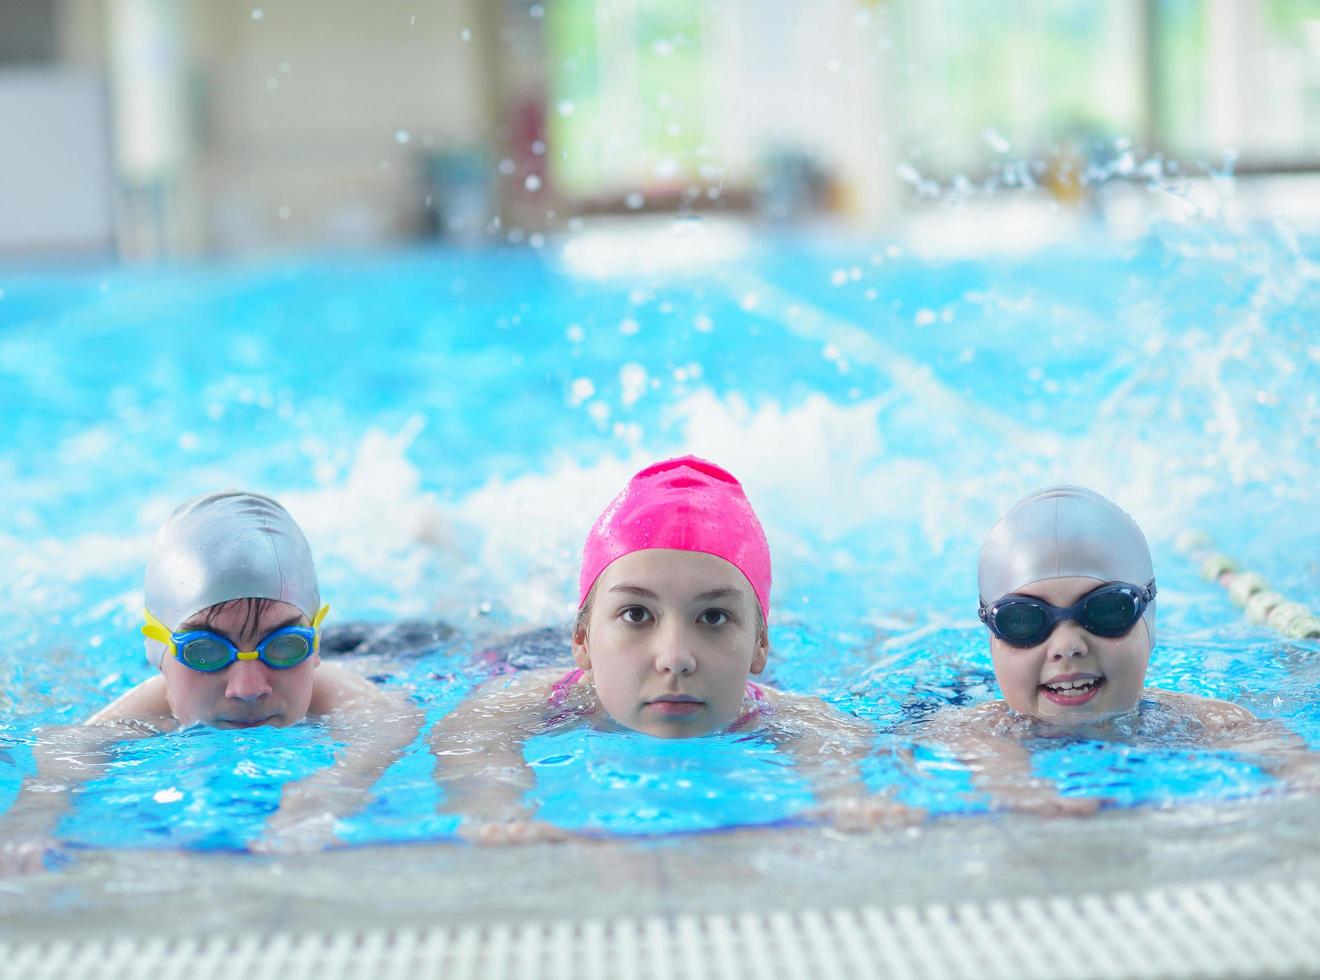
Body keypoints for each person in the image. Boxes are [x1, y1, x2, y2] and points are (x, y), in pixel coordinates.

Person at [430, 456, 918, 841]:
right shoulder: (523, 698)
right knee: (477, 614)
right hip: (518, 648)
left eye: (713, 617)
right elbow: (475, 748)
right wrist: (499, 811)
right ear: (581, 640)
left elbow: (841, 761)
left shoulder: (796, 718)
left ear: (760, 646)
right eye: (636, 615)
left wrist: (849, 800)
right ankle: (442, 546)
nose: (676, 657)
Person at [0, 491, 421, 871]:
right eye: (205, 651)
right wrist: (32, 819)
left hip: (392, 650)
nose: (248, 687)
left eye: (286, 646)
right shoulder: (140, 713)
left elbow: (391, 723)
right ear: (159, 652)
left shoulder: (344, 695)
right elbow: (66, 756)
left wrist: (333, 788)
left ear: (315, 646)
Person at [925, 484, 1319, 814]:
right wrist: (1022, 792)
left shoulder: (1204, 721)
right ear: (992, 637)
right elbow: (991, 766)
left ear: (1149, 621)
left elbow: (1288, 758)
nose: (1067, 647)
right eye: (1024, 620)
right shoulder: (972, 731)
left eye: (1107, 610)